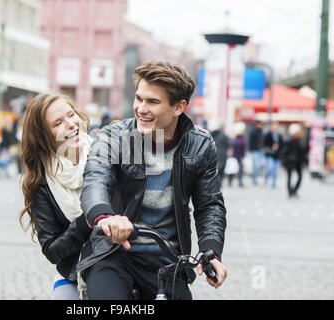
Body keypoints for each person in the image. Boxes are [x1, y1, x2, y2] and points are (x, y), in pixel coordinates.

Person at [77, 60, 227, 300]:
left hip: (168, 260)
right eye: (139, 99)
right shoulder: (114, 136)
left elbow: (209, 205)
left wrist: (211, 251)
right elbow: (95, 179)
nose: (141, 109)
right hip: (114, 253)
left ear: (179, 107)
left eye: (153, 102)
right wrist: (106, 217)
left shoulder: (200, 144)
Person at [18, 93, 93, 300]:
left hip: (122, 266)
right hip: (73, 274)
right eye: (58, 123)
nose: (71, 124)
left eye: (71, 114)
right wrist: (87, 221)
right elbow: (52, 250)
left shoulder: (105, 155)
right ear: (43, 137)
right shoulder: (41, 184)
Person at [281, 123, 306, 198]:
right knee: (289, 177)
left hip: (298, 162)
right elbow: (284, 152)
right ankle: (290, 192)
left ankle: (294, 190)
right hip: (290, 162)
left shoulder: (300, 141)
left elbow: (302, 151)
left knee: (300, 176)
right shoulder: (288, 141)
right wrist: (287, 160)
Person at [263, 121, 283, 188]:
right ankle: (266, 178)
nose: (275, 128)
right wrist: (272, 146)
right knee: (270, 168)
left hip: (277, 155)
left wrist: (278, 147)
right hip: (270, 154)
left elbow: (282, 144)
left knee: (275, 170)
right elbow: (265, 143)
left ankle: (273, 183)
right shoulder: (268, 134)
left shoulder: (279, 135)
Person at [248, 120, 265, 185]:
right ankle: (254, 178)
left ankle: (254, 176)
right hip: (254, 151)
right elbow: (250, 141)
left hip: (261, 150)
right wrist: (250, 150)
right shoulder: (253, 132)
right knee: (256, 166)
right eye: (260, 124)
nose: (261, 126)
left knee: (262, 165)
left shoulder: (261, 131)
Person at [232, 122, 246, 188]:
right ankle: (239, 181)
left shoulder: (235, 139)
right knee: (237, 169)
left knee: (235, 169)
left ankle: (238, 181)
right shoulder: (241, 139)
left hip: (236, 155)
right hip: (238, 156)